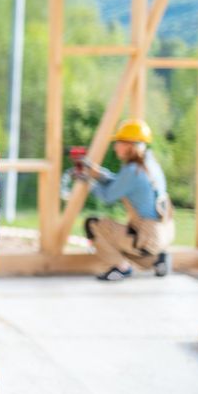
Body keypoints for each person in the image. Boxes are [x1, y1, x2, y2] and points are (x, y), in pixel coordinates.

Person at [79, 118, 175, 282]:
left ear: (131, 145)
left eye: (119, 142)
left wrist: (87, 181)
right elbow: (120, 182)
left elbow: (108, 196)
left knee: (92, 225)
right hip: (162, 232)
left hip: (145, 237)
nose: (116, 146)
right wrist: (97, 173)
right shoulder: (149, 164)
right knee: (123, 241)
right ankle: (157, 260)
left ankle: (121, 268)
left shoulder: (132, 170)